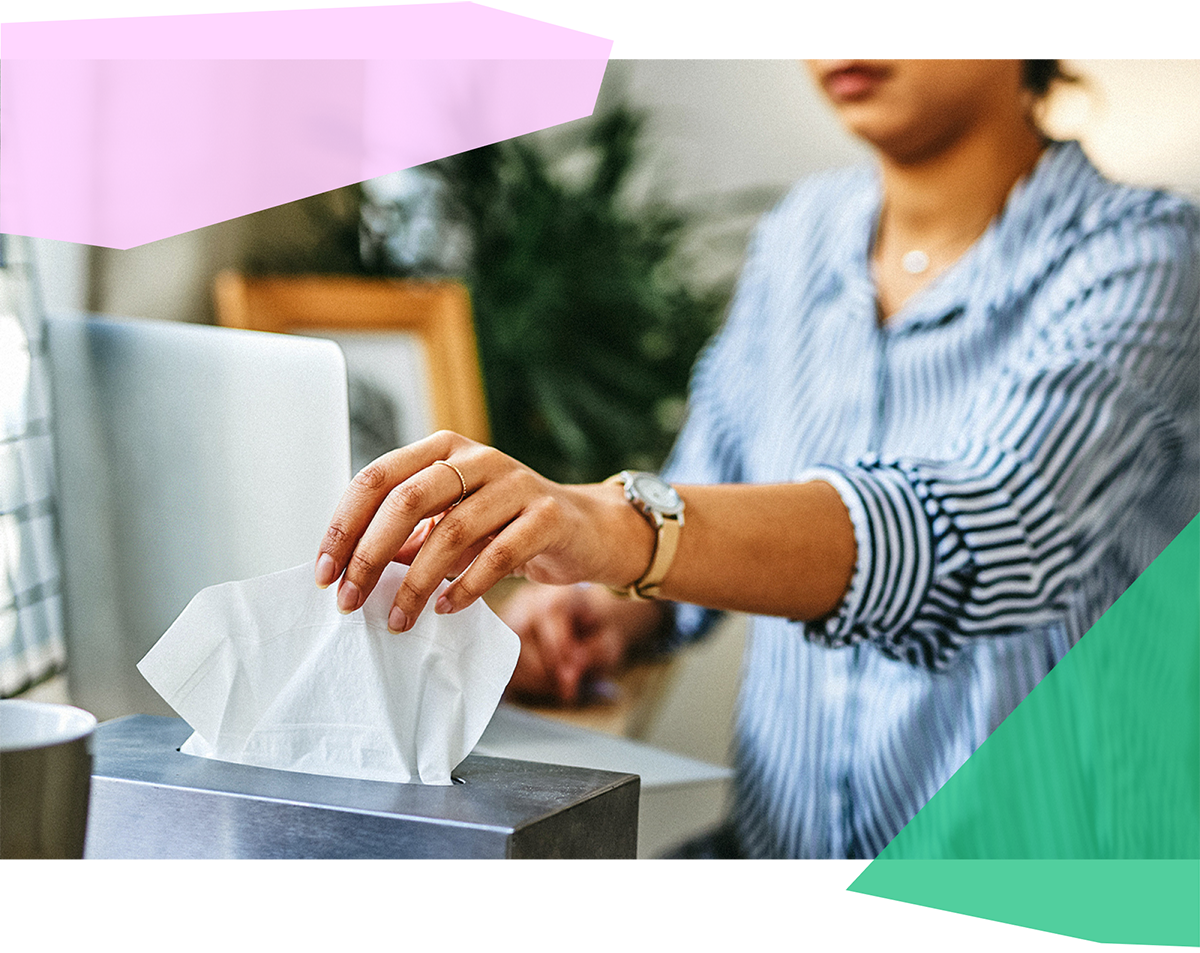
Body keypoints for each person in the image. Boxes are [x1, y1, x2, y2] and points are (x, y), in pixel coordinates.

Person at [313, 60, 1200, 870]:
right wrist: (601, 608)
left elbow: (982, 533)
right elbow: (705, 492)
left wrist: (612, 524)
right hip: (780, 864)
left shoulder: (1146, 257)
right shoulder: (799, 240)